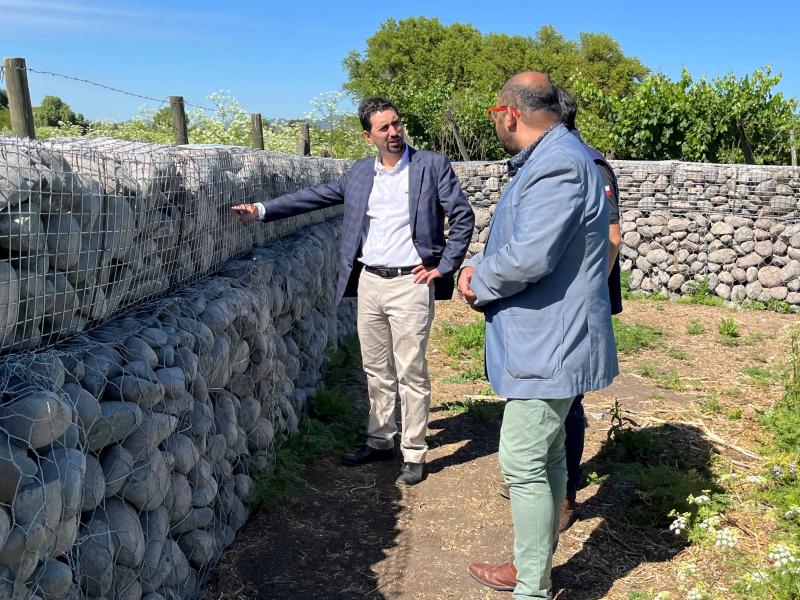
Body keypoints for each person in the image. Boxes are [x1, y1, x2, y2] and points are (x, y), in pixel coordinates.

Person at [232, 97, 474, 486]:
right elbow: (315, 196)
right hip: (370, 283)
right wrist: (261, 210)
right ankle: (380, 440)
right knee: (376, 369)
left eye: (396, 124)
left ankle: (414, 452)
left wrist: (444, 267)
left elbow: (462, 215)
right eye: (384, 128)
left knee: (411, 370)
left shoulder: (431, 166)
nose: (394, 133)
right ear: (369, 136)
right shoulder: (360, 173)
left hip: (411, 284)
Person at [458, 72, 618, 598]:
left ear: (509, 113)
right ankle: (533, 572)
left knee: (523, 463)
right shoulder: (559, 158)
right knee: (546, 460)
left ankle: (531, 589)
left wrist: (478, 277)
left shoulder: (558, 166)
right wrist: (482, 261)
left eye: (496, 115)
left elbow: (530, 255)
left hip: (551, 343)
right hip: (548, 340)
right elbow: (524, 239)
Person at [497, 87, 624, 532]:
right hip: (545, 320)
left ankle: (564, 497)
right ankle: (547, 503)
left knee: (565, 409)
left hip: (565, 318)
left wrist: (587, 298)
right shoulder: (556, 160)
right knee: (547, 419)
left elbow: (610, 238)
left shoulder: (581, 164)